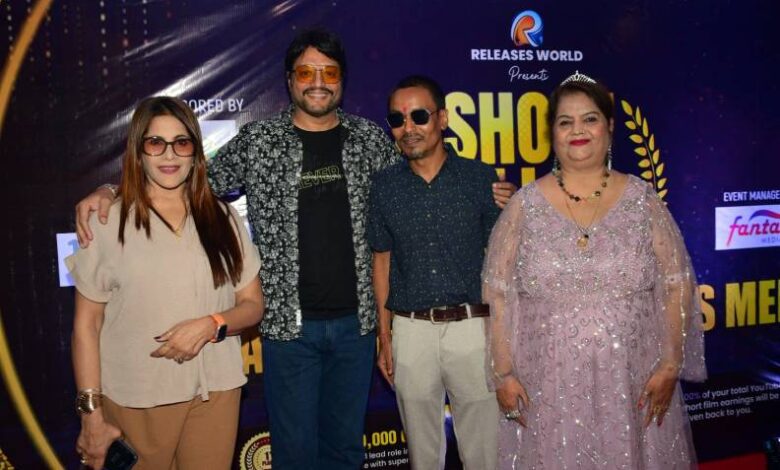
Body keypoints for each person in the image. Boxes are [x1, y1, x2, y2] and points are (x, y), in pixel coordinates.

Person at [74, 30, 515, 469]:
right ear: (290, 80)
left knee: (345, 453)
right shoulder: (258, 141)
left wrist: (489, 192)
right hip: (287, 330)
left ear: (342, 80)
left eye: (329, 72)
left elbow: (416, 183)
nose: (318, 82)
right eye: (306, 72)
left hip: (357, 328)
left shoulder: (369, 140)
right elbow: (184, 173)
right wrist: (112, 190)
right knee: (294, 456)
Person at [482, 71, 707, 469]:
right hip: (547, 389)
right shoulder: (524, 206)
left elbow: (676, 283)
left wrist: (671, 363)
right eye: (565, 122)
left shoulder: (642, 200)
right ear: (552, 133)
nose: (578, 130)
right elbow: (496, 293)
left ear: (610, 126)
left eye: (590, 119)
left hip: (634, 382)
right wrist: (503, 374)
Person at [68, 96, 263, 469]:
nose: (169, 155)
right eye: (155, 143)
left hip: (216, 393)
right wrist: (90, 413)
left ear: (195, 152)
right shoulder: (105, 222)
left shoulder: (223, 218)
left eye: (181, 143)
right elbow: (86, 325)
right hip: (136, 397)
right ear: (138, 152)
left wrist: (212, 325)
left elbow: (253, 305)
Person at [369, 75, 500, 469]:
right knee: (422, 458)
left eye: (419, 116)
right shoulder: (384, 186)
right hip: (410, 332)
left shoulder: (480, 178)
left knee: (484, 454)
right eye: (397, 119)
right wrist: (385, 336)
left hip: (473, 328)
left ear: (442, 119)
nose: (408, 128)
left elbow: (501, 262)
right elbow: (381, 261)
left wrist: (502, 335)